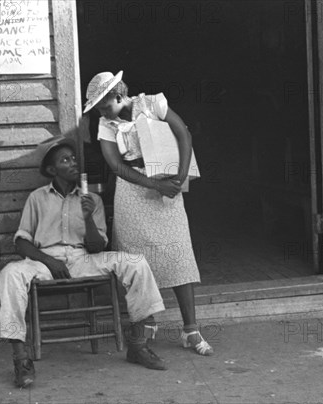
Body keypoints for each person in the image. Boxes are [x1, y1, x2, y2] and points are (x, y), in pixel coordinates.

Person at [0, 135, 168, 388]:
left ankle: (138, 346)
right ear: (52, 170)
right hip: (44, 262)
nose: (73, 163)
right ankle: (21, 359)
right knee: (10, 273)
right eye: (65, 160)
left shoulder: (91, 200)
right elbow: (21, 242)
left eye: (74, 158)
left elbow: (98, 247)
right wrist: (49, 261)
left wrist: (87, 218)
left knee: (136, 262)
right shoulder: (37, 198)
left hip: (82, 259)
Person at [83, 71, 214, 357]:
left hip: (168, 183)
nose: (101, 111)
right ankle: (147, 323)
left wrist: (179, 177)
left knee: (178, 252)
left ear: (118, 96)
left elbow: (183, 133)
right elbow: (117, 166)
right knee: (137, 259)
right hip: (133, 191)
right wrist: (155, 185)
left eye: (104, 104)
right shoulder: (106, 125)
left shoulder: (153, 104)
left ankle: (191, 329)